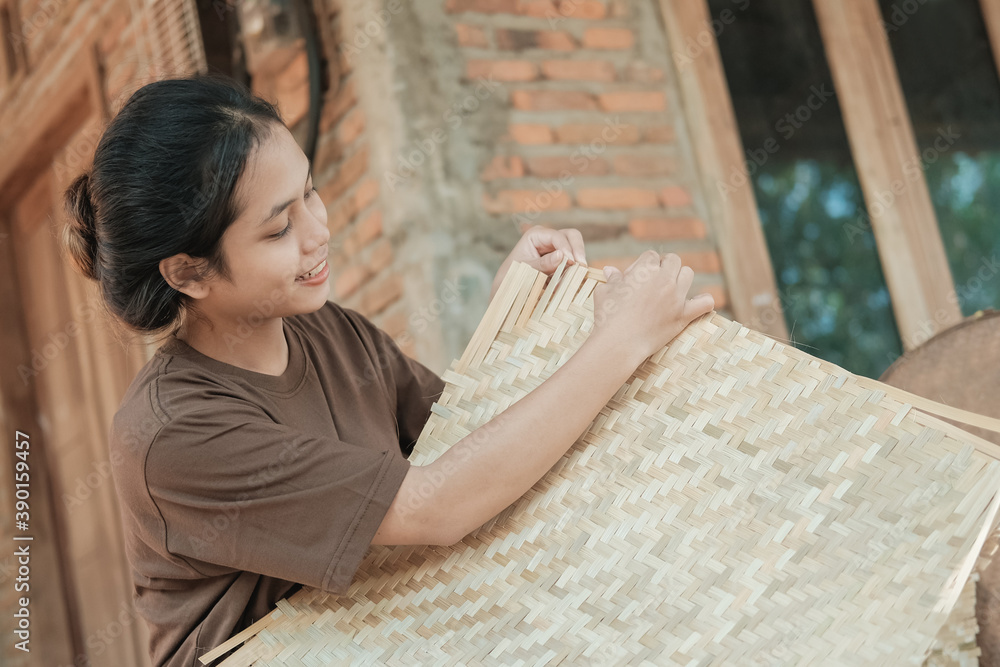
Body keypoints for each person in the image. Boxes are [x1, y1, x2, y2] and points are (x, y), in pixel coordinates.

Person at [62, 72, 715, 667]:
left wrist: (514, 315)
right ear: (189, 271)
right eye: (277, 229)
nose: (318, 232)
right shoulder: (174, 436)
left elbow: (461, 447)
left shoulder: (326, 329)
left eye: (310, 193)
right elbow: (436, 505)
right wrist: (619, 339)